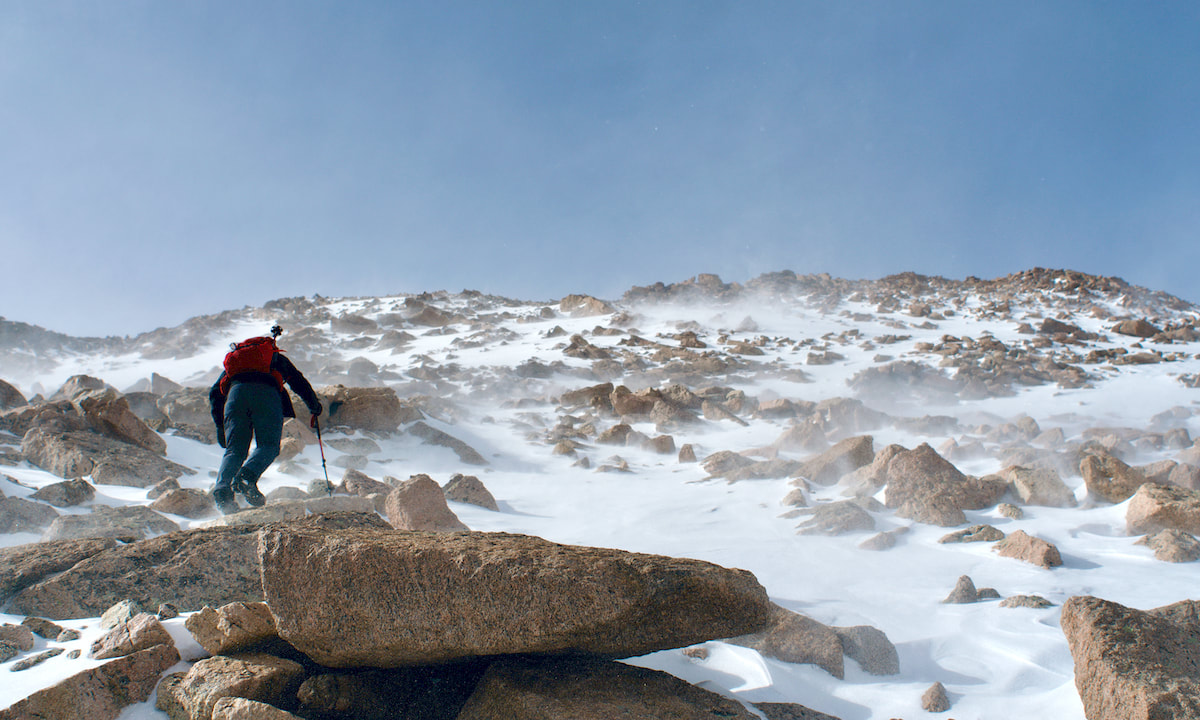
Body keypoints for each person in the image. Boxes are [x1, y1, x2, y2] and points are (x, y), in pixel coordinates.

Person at [209, 326, 322, 514]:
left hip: (235, 397)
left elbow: (215, 393)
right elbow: (298, 381)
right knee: (268, 446)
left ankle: (222, 490)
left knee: (235, 450)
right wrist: (314, 406)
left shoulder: (237, 366)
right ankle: (247, 477)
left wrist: (221, 427)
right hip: (266, 396)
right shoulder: (276, 358)